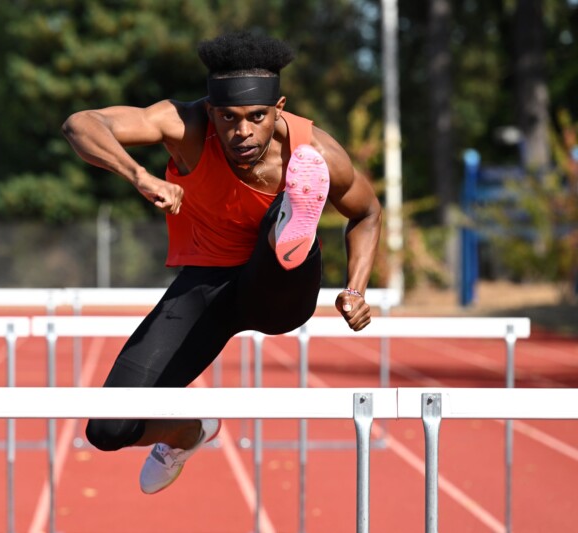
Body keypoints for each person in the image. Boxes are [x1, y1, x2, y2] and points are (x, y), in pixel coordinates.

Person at [62, 31, 381, 494]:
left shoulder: (318, 152)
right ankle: (188, 432)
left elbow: (367, 213)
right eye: (228, 118)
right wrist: (140, 175)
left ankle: (294, 219)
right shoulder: (184, 124)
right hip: (207, 286)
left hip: (278, 290)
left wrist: (355, 288)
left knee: (288, 217)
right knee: (107, 429)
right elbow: (80, 123)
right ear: (210, 110)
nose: (243, 132)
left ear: (279, 107)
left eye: (257, 117)